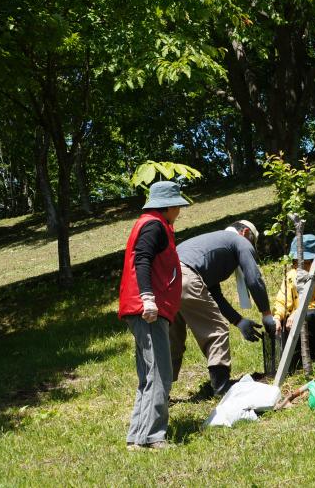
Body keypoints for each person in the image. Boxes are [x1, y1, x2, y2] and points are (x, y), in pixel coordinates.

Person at [118, 181, 189, 450]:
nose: (180, 211)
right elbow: (142, 259)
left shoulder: (154, 224)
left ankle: (137, 438)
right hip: (147, 310)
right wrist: (148, 298)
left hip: (143, 308)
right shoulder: (154, 225)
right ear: (168, 205)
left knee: (149, 375)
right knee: (160, 372)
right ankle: (153, 437)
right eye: (178, 206)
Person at [170, 220, 275, 395]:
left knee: (172, 340)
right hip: (186, 276)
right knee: (216, 331)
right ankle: (221, 386)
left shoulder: (216, 245)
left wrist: (239, 321)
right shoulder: (239, 241)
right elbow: (254, 278)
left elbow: (213, 294)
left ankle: (160, 393)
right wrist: (266, 314)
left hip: (165, 280)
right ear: (246, 233)